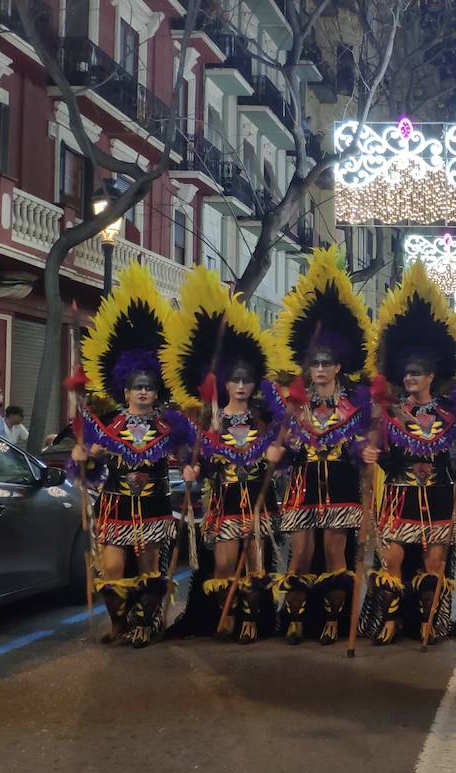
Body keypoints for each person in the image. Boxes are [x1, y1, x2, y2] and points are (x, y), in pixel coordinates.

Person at [72, 262, 195, 648]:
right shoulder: (106, 425)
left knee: (148, 569)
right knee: (111, 570)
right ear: (124, 392)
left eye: (148, 388)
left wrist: (192, 467)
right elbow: (90, 466)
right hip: (115, 504)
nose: (142, 392)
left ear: (156, 393)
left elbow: (190, 455)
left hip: (155, 503)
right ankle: (119, 623)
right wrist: (83, 457)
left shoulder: (168, 426)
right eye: (135, 388)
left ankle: (147, 623)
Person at [163, 265, 286, 644]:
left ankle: (254, 620)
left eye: (247, 381)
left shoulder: (266, 417)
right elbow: (192, 456)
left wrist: (280, 454)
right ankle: (226, 614)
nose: (241, 386)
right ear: (225, 383)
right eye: (235, 380)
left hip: (258, 500)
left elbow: (287, 446)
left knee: (256, 560)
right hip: (224, 498)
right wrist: (190, 468)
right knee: (223, 562)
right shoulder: (208, 420)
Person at [358, 263, 456, 647]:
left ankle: (428, 620)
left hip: (438, 496)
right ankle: (389, 620)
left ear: (431, 377)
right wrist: (371, 453)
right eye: (406, 374)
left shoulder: (451, 415)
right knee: (392, 561)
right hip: (400, 496)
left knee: (434, 564)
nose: (410, 379)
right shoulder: (388, 414)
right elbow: (379, 454)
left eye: (417, 374)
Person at [271, 248, 374, 645]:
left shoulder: (355, 405)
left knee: (335, 555)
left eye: (326, 364)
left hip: (341, 485)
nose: (319, 370)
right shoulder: (294, 407)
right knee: (298, 555)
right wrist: (278, 454)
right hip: (302, 485)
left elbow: (367, 442)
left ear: (338, 368)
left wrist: (366, 452)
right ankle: (297, 619)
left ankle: (333, 620)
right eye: (314, 364)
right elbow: (281, 446)